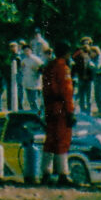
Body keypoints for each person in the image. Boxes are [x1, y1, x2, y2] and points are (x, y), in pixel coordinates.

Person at [40, 42, 76, 185]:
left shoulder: (48, 67)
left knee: (50, 140)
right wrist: (70, 110)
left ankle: (45, 173)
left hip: (49, 107)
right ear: (66, 53)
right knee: (63, 140)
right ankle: (63, 173)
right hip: (61, 107)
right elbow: (66, 91)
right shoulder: (63, 68)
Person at [19, 43, 43, 112]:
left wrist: (37, 70)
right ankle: (34, 113)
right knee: (30, 101)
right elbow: (22, 70)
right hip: (27, 83)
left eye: (27, 50)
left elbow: (41, 69)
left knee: (34, 100)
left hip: (35, 83)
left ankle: (38, 114)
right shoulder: (24, 60)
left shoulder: (36, 59)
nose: (26, 52)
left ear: (31, 50)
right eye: (25, 51)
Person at [88, 45, 101, 116]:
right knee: (97, 95)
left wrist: (90, 63)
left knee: (99, 95)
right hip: (96, 78)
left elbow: (97, 67)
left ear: (95, 52)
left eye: (91, 52)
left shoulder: (99, 58)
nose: (90, 54)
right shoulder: (94, 58)